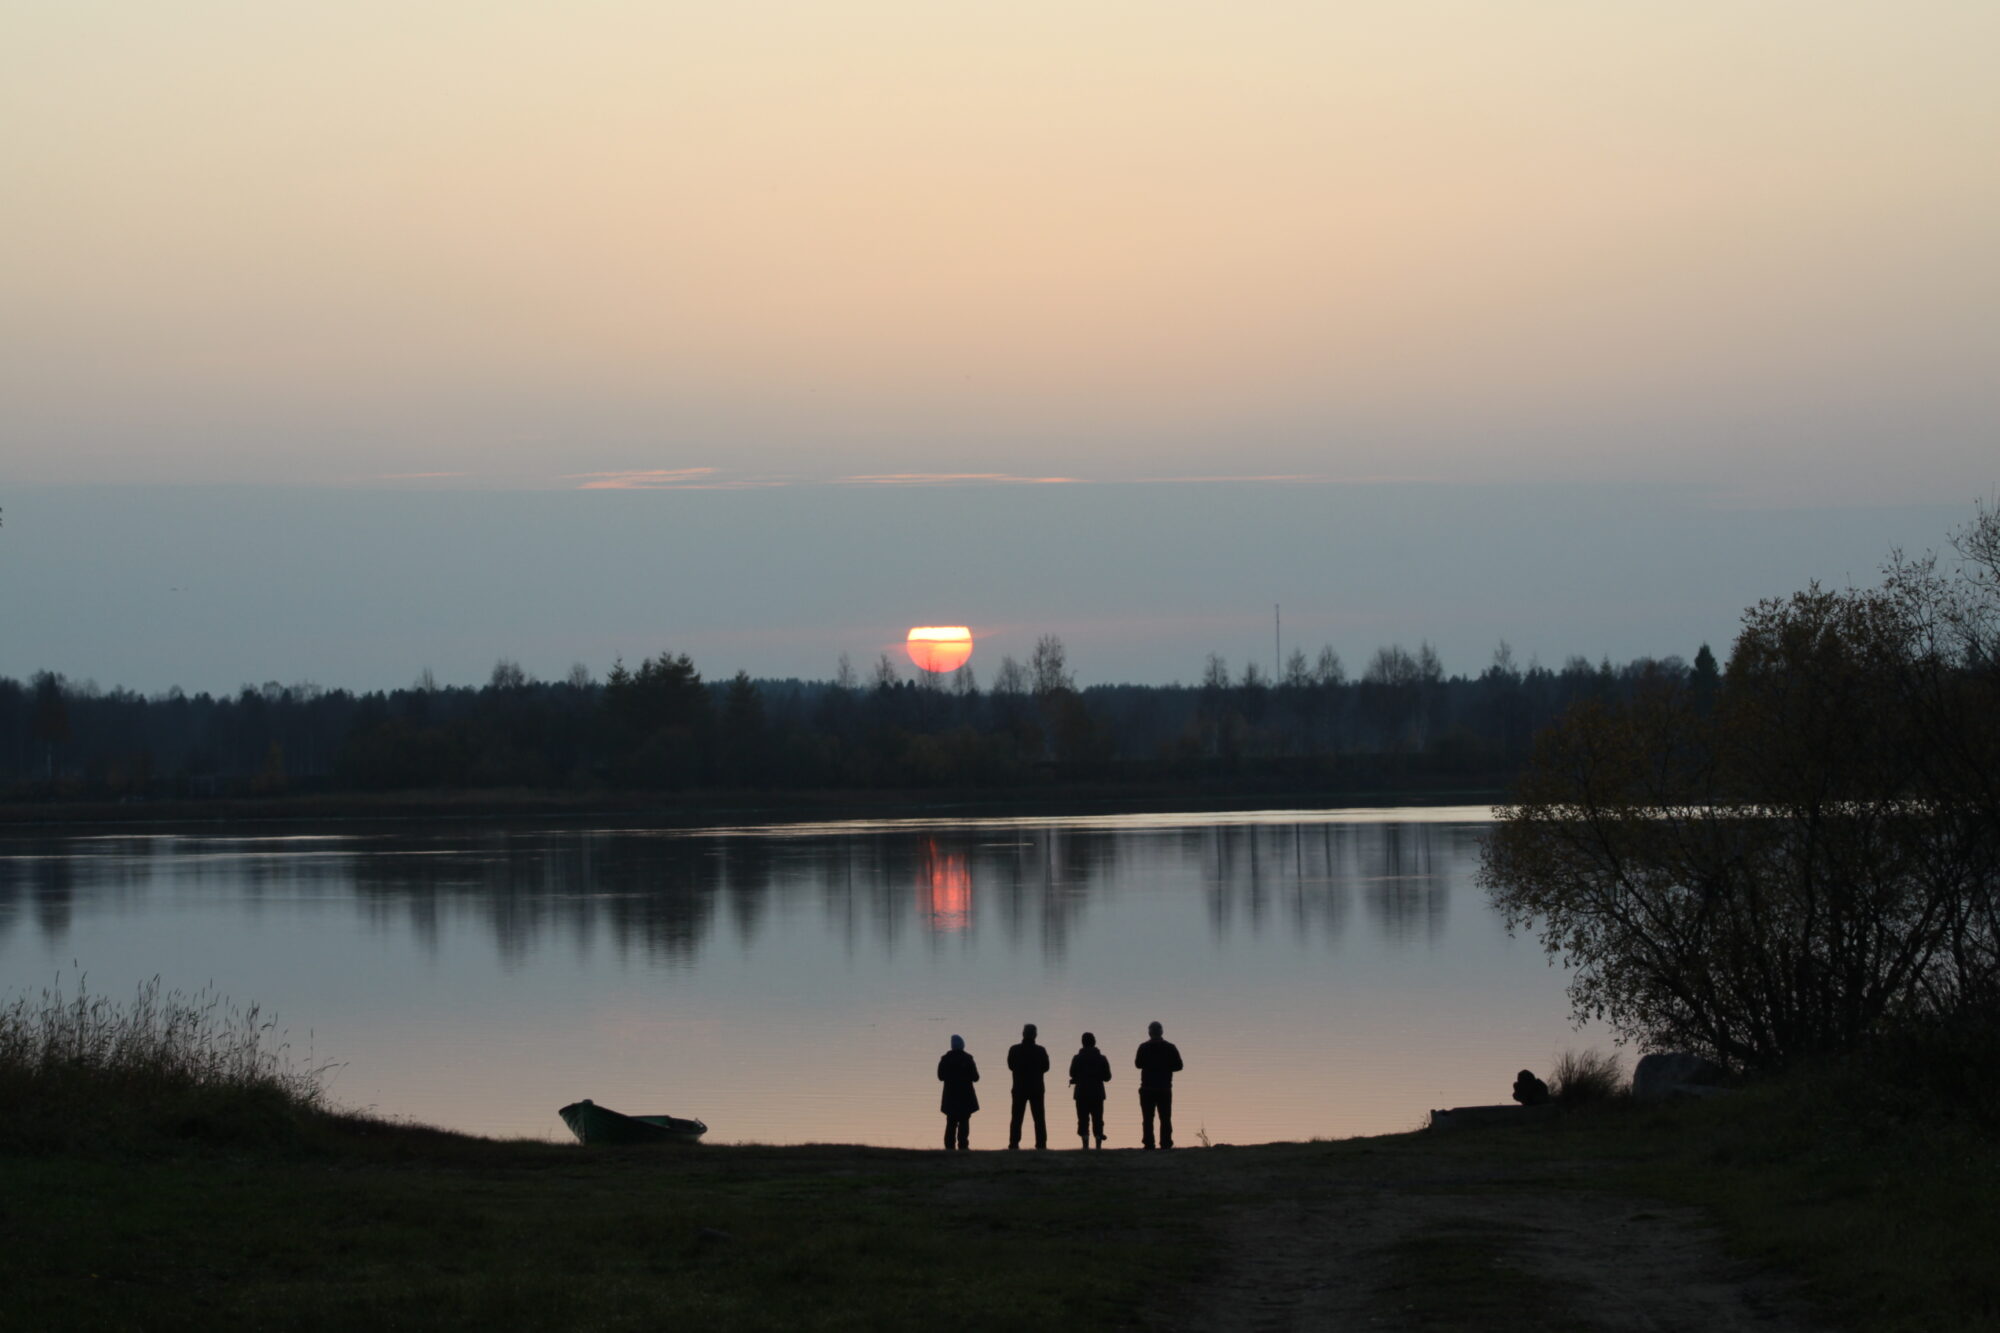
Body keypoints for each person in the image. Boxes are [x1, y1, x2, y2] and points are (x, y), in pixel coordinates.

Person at [1134, 1020, 1183, 1150]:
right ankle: (1166, 1143)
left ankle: (1149, 1143)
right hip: (1164, 1088)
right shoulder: (1170, 1047)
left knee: (1148, 1118)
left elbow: (1138, 1064)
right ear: (1161, 1032)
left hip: (1147, 1088)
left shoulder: (1143, 1047)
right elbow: (1179, 1066)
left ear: (1149, 1033)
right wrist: (1166, 1067)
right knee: (1165, 1118)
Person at [1006, 1022, 1051, 1150]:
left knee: (1016, 1118)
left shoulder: (1014, 1049)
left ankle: (1014, 1143)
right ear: (1035, 1035)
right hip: (1036, 1088)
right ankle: (1041, 1144)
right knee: (1039, 1118)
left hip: (1019, 1088)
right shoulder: (1040, 1050)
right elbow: (1046, 1067)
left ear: (1023, 1034)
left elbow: (1010, 1065)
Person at [1069, 1031, 1113, 1149]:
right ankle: (1098, 1142)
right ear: (1094, 1043)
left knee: (1083, 1119)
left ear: (1082, 1043)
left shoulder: (1077, 1058)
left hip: (1081, 1093)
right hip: (1097, 1093)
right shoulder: (1102, 1058)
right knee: (1098, 1119)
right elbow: (1108, 1077)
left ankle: (1085, 1143)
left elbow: (1072, 1073)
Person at [937, 1034, 980, 1150]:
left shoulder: (945, 1059)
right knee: (964, 1122)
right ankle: (963, 1145)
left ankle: (949, 1146)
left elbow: (940, 1076)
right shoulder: (968, 1059)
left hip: (950, 1096)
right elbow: (976, 1077)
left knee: (950, 1122)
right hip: (965, 1096)